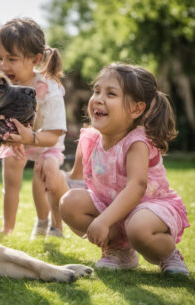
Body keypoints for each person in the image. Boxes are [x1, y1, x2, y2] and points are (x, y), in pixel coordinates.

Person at [60, 63, 190, 276]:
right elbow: (76, 179)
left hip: (149, 207)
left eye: (111, 94)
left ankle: (168, 254)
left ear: (136, 109)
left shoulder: (136, 142)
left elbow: (137, 187)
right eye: (97, 91)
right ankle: (119, 251)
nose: (99, 98)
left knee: (138, 228)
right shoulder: (90, 139)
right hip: (110, 205)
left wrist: (103, 220)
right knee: (69, 202)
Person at [0, 18, 68, 238]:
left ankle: (52, 224)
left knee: (44, 173)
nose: (4, 65)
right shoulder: (4, 85)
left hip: (45, 141)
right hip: (18, 140)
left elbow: (54, 136)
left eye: (12, 59)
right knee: (11, 180)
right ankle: (7, 229)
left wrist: (31, 137)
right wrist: (8, 138)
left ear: (35, 59)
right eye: (0, 58)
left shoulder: (49, 88)